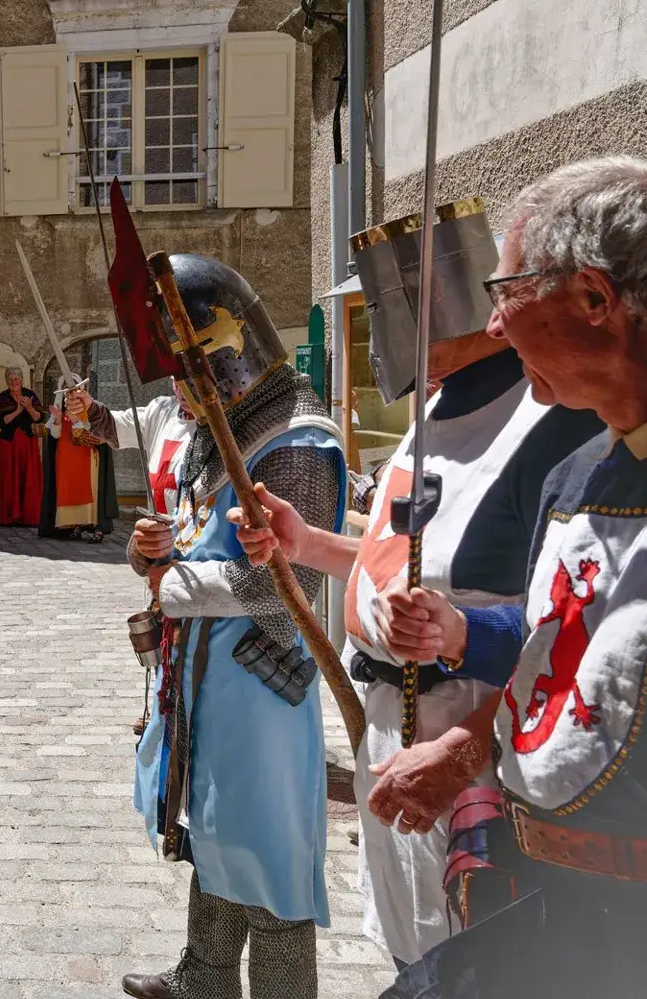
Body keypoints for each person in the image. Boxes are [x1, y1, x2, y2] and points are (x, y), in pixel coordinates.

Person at [360, 158, 647, 998]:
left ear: (592, 298)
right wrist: (465, 745)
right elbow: (565, 655)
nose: (494, 325)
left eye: (508, 292)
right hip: (558, 923)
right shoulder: (574, 476)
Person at [231, 203, 604, 969]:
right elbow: (399, 557)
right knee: (407, 949)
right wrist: (309, 544)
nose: (382, 326)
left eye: (390, 302)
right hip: (388, 726)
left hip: (468, 736)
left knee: (468, 958)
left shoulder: (550, 420)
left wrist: (463, 739)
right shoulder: (432, 406)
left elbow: (571, 626)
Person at [116, 256, 345, 999]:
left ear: (225, 354)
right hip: (201, 675)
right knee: (213, 830)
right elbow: (192, 536)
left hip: (259, 681)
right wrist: (151, 548)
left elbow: (289, 588)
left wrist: (171, 583)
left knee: (268, 854)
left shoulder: (296, 439)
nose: (179, 393)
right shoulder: (218, 429)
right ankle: (203, 977)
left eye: (187, 374)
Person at [38, 382, 121, 541]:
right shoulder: (62, 413)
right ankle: (76, 525)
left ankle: (96, 526)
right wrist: (57, 420)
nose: (71, 399)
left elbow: (93, 434)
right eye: (68, 396)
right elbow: (55, 435)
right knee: (70, 491)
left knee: (92, 492)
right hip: (66, 459)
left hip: (87, 457)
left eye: (74, 395)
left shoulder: (91, 412)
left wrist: (78, 421)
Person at [0, 368, 45, 526]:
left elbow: (39, 417)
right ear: (7, 381)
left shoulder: (30, 395)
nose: (14, 382)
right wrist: (17, 411)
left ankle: (28, 515)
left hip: (28, 443)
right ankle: (10, 515)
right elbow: (1, 421)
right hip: (9, 443)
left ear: (21, 380)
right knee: (9, 476)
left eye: (16, 379)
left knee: (29, 476)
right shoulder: (3, 397)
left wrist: (29, 408)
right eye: (11, 379)